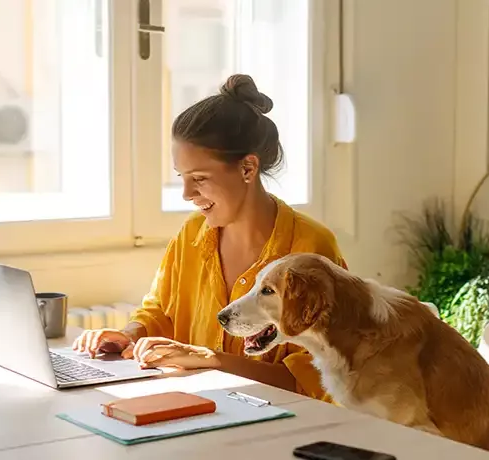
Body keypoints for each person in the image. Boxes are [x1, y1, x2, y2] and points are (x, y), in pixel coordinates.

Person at [72, 74, 347, 400]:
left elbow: (314, 380)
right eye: (182, 178)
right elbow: (160, 312)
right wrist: (128, 335)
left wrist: (214, 361)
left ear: (248, 168)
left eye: (199, 178)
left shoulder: (311, 249)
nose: (187, 193)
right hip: (194, 410)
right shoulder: (191, 235)